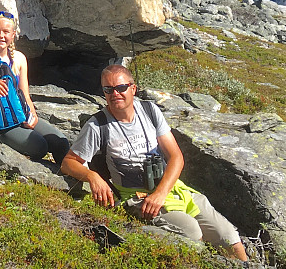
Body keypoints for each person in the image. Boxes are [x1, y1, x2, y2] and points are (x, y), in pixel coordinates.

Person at [61, 64, 249, 261]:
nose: (115, 93)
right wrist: (92, 176)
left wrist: (161, 193)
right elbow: (69, 162)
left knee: (229, 237)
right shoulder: (97, 125)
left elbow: (176, 157)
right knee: (191, 231)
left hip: (171, 189)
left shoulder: (150, 111)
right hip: (136, 198)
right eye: (108, 89)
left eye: (121, 88)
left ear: (133, 88)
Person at [0, 10, 70, 166]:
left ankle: (70, 180)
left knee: (60, 142)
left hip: (20, 115)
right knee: (40, 147)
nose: (1, 35)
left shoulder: (19, 59)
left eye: (6, 32)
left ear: (13, 34)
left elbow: (25, 94)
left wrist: (32, 116)